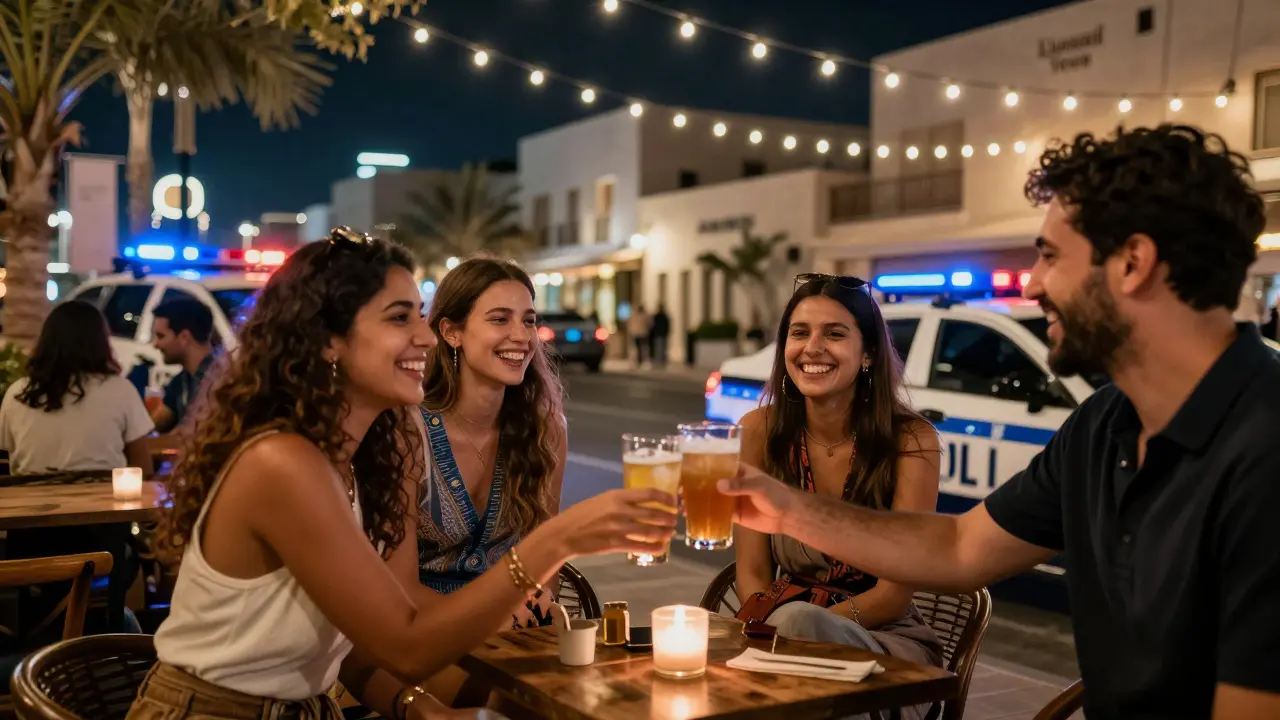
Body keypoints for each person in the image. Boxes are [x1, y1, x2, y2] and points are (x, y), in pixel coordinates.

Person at [717, 126, 1280, 720]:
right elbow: (961, 548)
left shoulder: (1263, 449)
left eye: (1051, 255)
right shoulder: (1103, 423)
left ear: (1133, 263)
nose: (1033, 282)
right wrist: (786, 507)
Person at [129, 228, 676, 719]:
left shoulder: (352, 456)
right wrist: (558, 538)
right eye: (400, 318)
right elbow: (406, 644)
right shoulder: (283, 463)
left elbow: (352, 638)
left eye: (420, 313)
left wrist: (417, 709)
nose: (427, 336)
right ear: (327, 341)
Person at [734, 275, 942, 720]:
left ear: (867, 354)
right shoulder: (758, 431)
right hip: (780, 636)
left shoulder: (913, 440)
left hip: (884, 645)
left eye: (834, 333)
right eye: (799, 332)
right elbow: (751, 570)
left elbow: (893, 595)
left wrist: (802, 630)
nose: (813, 348)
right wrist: (774, 633)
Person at [409, 256, 569, 705]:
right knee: (509, 704)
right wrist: (483, 622)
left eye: (529, 321)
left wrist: (532, 605)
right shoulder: (408, 430)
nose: (521, 336)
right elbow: (393, 586)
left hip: (515, 633)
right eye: (500, 319)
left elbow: (547, 553)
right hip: (420, 635)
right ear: (451, 332)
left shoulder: (545, 429)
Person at [0, 300, 154, 475]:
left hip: (33, 499)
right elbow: (143, 469)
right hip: (104, 499)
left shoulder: (18, 393)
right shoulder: (121, 390)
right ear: (101, 342)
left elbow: (12, 460)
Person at [149, 299, 215, 435]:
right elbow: (158, 422)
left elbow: (189, 434)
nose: (155, 344)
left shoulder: (217, 381)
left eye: (161, 336)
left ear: (184, 337)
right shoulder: (182, 380)